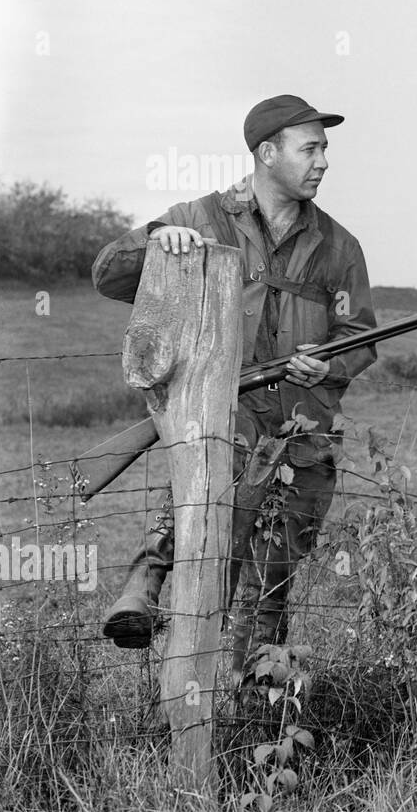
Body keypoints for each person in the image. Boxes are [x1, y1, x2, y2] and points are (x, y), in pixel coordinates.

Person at [92, 94, 377, 677]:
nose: (324, 161)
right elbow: (107, 274)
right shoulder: (200, 219)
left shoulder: (340, 248)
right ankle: (185, 693)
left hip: (303, 438)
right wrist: (157, 243)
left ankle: (253, 715)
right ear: (267, 153)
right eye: (311, 148)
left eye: (325, 149)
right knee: (204, 567)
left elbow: (360, 336)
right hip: (221, 424)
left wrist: (330, 367)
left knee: (270, 593)